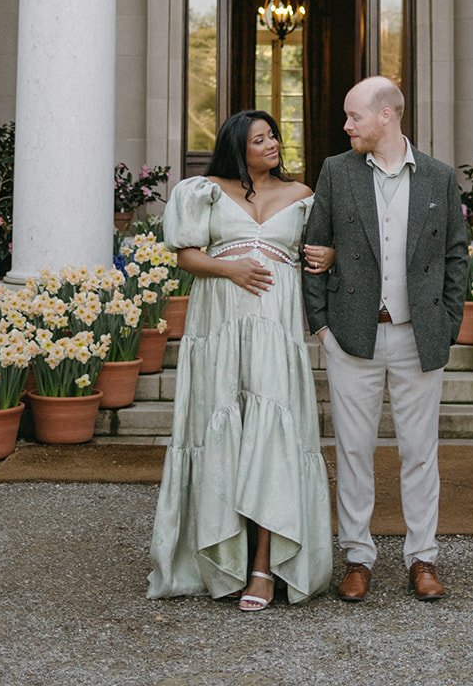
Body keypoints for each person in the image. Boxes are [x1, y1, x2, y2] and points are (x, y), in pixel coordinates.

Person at [147, 109, 334, 610]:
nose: (272, 143)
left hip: (275, 327)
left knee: (273, 437)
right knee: (223, 430)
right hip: (220, 325)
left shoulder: (302, 196)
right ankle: (222, 553)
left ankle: (264, 567)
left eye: (273, 135)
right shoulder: (201, 190)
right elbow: (186, 255)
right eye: (260, 138)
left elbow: (323, 248)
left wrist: (329, 256)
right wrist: (230, 269)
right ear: (238, 146)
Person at [302, 75, 468, 603]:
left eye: (354, 117)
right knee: (353, 449)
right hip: (353, 336)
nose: (346, 125)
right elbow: (314, 246)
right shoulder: (336, 171)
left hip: (420, 337)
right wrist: (323, 326)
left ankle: (423, 558)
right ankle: (357, 557)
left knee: (420, 452)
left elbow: (456, 258)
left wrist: (445, 321)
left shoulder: (440, 178)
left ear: (386, 117)